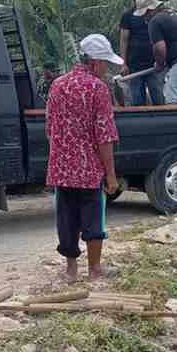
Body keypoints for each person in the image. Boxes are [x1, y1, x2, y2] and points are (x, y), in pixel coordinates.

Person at [46, 34, 123, 283]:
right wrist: (110, 174)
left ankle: (70, 270)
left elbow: (50, 129)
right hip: (89, 169)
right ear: (96, 62)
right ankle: (95, 270)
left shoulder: (57, 85)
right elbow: (104, 135)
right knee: (93, 218)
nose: (107, 70)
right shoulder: (97, 89)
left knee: (66, 219)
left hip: (61, 168)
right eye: (106, 64)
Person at [118, 0, 164, 106]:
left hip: (154, 65)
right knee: (137, 100)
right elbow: (123, 40)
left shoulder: (156, 15)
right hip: (134, 66)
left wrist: (164, 60)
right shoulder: (128, 16)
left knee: (158, 98)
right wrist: (123, 63)